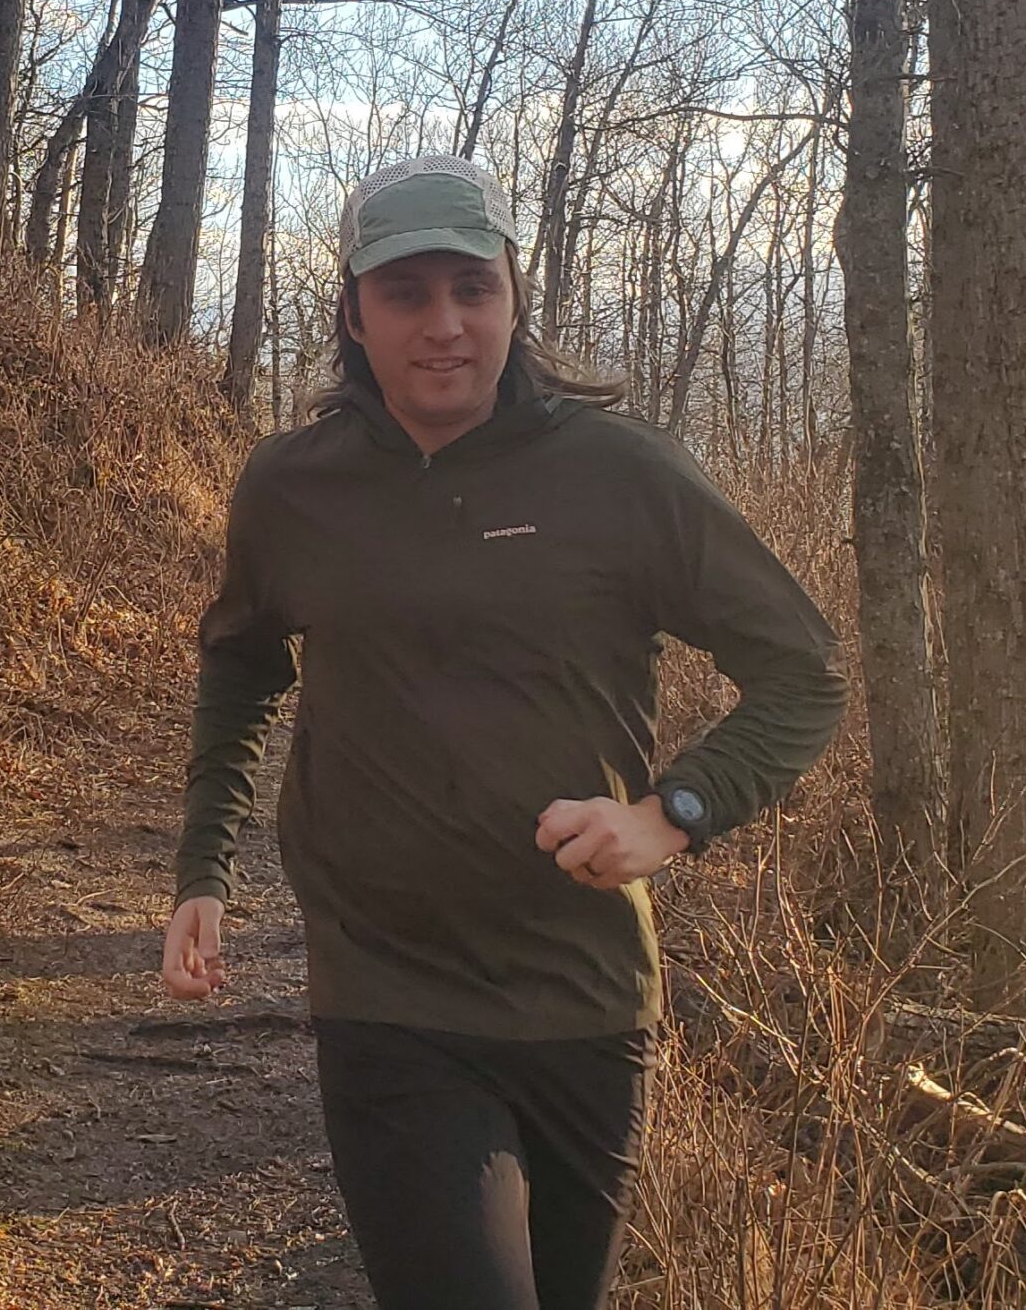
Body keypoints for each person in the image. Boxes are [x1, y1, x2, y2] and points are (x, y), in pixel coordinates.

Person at [160, 153, 847, 1310]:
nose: (444, 325)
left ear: (514, 299)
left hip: (584, 991)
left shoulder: (620, 474)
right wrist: (203, 869)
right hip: (387, 989)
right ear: (353, 315)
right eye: (405, 293)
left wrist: (672, 813)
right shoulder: (293, 488)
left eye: (472, 288)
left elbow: (804, 674)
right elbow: (240, 664)